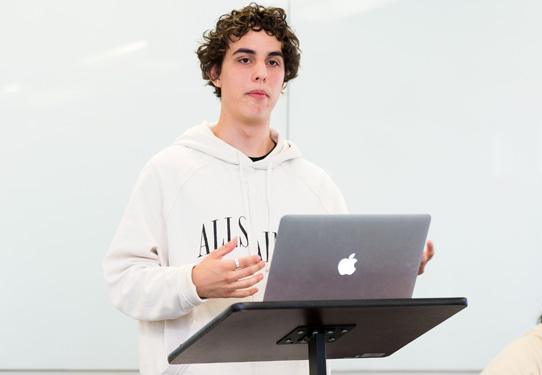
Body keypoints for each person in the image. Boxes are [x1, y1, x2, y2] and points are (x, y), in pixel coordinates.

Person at [102, 4, 433, 375]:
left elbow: (343, 292)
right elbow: (123, 281)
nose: (261, 73)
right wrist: (193, 282)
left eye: (273, 63)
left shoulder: (315, 186)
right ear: (216, 74)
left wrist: (392, 270)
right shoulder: (168, 172)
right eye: (245, 60)